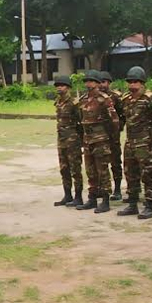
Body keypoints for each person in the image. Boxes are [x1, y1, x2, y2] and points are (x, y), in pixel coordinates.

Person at [116, 66, 152, 220]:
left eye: (135, 82)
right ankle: (132, 203)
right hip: (130, 141)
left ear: (142, 83)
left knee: (148, 173)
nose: (132, 85)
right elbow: (123, 118)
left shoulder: (150, 99)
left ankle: (149, 204)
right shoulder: (126, 99)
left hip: (145, 141)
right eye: (130, 82)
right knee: (130, 173)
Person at [76, 70, 120, 213]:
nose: (88, 83)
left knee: (103, 170)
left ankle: (105, 200)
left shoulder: (104, 99)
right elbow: (80, 120)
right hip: (88, 140)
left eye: (91, 81)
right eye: (87, 81)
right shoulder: (82, 99)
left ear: (96, 83)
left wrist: (110, 138)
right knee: (90, 170)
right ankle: (92, 198)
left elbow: (114, 121)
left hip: (101, 140)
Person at [52, 75, 84, 207]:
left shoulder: (74, 103)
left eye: (62, 85)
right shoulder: (58, 102)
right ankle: (67, 195)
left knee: (75, 169)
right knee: (64, 169)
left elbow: (80, 122)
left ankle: (78, 197)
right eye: (58, 85)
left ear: (68, 87)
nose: (59, 87)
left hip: (73, 141)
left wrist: (79, 140)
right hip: (62, 141)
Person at [99, 71, 125, 200]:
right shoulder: (95, 97)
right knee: (100, 163)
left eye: (104, 82)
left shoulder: (115, 97)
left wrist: (118, 128)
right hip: (99, 136)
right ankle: (102, 188)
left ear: (109, 83)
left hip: (112, 136)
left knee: (115, 162)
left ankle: (118, 188)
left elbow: (122, 114)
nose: (102, 85)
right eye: (100, 82)